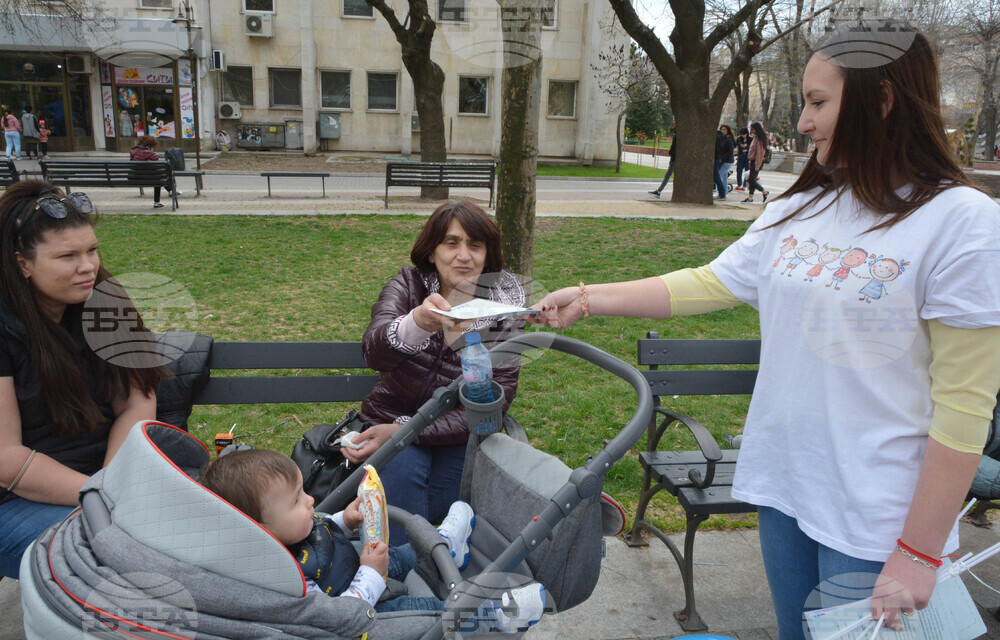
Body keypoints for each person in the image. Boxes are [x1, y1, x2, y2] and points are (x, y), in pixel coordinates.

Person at [530, 21, 1000, 638]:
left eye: (818, 102)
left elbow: (965, 405)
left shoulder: (961, 222)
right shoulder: (801, 206)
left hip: (875, 519)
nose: (803, 122)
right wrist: (589, 299)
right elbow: (711, 281)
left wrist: (919, 548)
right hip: (785, 487)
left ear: (882, 102)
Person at [0, 180, 165, 578]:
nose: (87, 266)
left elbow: (137, 400)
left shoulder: (104, 301)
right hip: (18, 500)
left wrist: (111, 482)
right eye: (67, 256)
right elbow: (6, 459)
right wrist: (97, 496)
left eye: (91, 249)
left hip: (108, 480)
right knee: (114, 556)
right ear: (23, 263)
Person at [201, 448, 545, 633]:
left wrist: (346, 520)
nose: (309, 501)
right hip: (369, 610)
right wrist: (370, 575)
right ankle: (492, 615)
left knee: (400, 554)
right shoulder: (288, 579)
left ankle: (447, 548)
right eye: (296, 501)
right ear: (259, 528)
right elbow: (336, 617)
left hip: (352, 564)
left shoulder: (292, 528)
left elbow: (321, 528)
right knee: (426, 613)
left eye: (303, 491)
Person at [343, 201, 526, 545]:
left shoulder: (504, 313)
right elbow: (374, 352)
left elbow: (494, 406)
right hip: (387, 423)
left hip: (455, 437)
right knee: (403, 470)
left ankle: (420, 575)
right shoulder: (408, 286)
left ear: (488, 255)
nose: (464, 256)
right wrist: (418, 322)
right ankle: (405, 573)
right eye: (452, 243)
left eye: (475, 245)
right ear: (431, 251)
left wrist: (404, 431)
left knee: (453, 496)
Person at [129, 135, 176, 209]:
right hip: (151, 179)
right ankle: (162, 198)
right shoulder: (151, 154)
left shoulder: (133, 151)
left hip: (135, 178)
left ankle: (170, 191)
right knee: (159, 178)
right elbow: (157, 166)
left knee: (157, 177)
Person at [742, 121, 770, 203]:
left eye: (753, 129)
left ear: (757, 129)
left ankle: (765, 192)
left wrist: (757, 165)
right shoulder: (756, 138)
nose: (751, 131)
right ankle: (750, 198)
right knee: (752, 180)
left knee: (752, 180)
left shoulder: (760, 140)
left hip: (757, 162)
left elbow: (760, 154)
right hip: (753, 161)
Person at [648, 123, 677, 198]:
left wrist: (671, 153)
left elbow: (675, 148)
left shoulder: (677, 136)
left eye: (674, 124)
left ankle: (658, 191)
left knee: (667, 175)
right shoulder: (676, 135)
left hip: (674, 159)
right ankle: (658, 191)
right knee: (668, 175)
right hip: (674, 158)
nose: (672, 126)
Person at [715, 124, 736, 201]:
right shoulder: (723, 138)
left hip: (727, 161)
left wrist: (722, 158)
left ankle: (720, 192)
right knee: (724, 177)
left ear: (728, 130)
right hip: (725, 160)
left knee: (719, 175)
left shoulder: (728, 139)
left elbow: (730, 151)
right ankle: (725, 192)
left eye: (724, 129)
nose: (723, 131)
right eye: (722, 129)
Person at [735, 127, 752, 191]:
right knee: (739, 170)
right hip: (741, 156)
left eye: (744, 134)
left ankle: (744, 185)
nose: (743, 136)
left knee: (747, 171)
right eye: (742, 134)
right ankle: (739, 184)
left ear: (747, 134)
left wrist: (747, 146)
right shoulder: (739, 138)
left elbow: (751, 146)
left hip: (747, 156)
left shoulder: (750, 139)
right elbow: (737, 143)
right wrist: (741, 145)